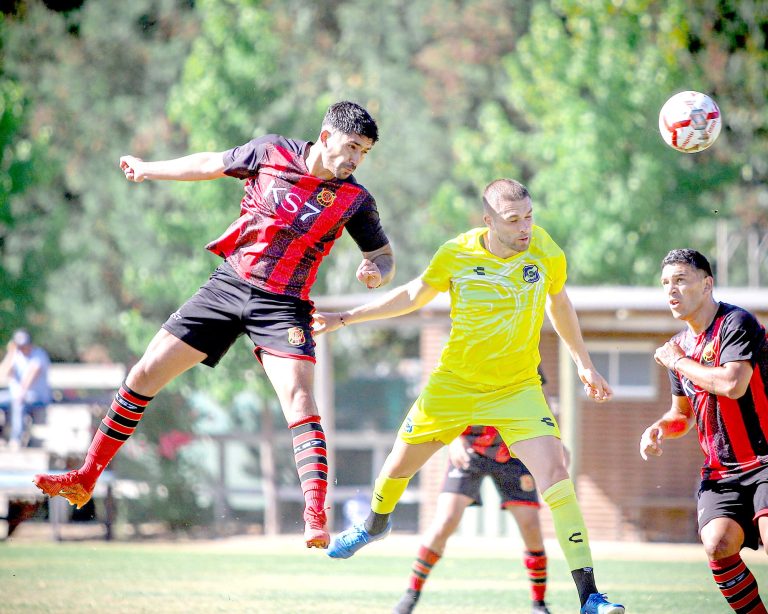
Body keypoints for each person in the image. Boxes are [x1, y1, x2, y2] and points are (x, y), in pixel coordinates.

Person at [33, 101, 395, 549]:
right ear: (325, 136)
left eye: (364, 153)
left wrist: (376, 271)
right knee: (144, 373)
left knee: (300, 398)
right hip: (228, 286)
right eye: (352, 147)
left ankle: (315, 514)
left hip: (283, 305)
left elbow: (382, 255)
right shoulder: (270, 152)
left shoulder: (354, 200)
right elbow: (209, 162)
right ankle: (87, 476)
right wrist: (148, 169)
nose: (356, 159)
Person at [314, 178, 624, 613]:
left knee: (556, 475)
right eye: (514, 220)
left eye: (530, 217)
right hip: (454, 387)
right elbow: (411, 296)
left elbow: (560, 303)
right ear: (488, 221)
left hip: (517, 388)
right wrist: (345, 317)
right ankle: (374, 526)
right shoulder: (456, 253)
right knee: (397, 467)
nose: (525, 228)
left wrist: (584, 364)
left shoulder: (545, 249)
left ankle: (589, 596)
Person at [639, 248, 767, 614]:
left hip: (765, 459)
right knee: (717, 543)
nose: (671, 291)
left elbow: (733, 384)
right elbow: (683, 414)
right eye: (665, 283)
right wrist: (661, 427)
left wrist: (679, 362)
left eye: (680, 280)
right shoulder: (679, 346)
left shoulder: (736, 323)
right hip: (722, 470)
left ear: (707, 283)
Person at [393, 425, 554, 614]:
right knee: (445, 521)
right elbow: (444, 406)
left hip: (512, 450)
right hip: (469, 447)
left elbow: (539, 408)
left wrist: (554, 443)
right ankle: (411, 595)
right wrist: (452, 439)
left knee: (531, 526)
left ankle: (539, 604)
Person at [0, 329, 53, 448]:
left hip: (37, 397)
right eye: (19, 346)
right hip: (16, 395)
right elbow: (4, 373)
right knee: (14, 399)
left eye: (24, 345)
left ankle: (16, 440)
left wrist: (20, 393)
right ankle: (2, 437)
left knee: (19, 402)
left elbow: (31, 377)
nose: (22, 348)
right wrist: (10, 353)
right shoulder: (15, 355)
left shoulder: (38, 355)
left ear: (30, 344)